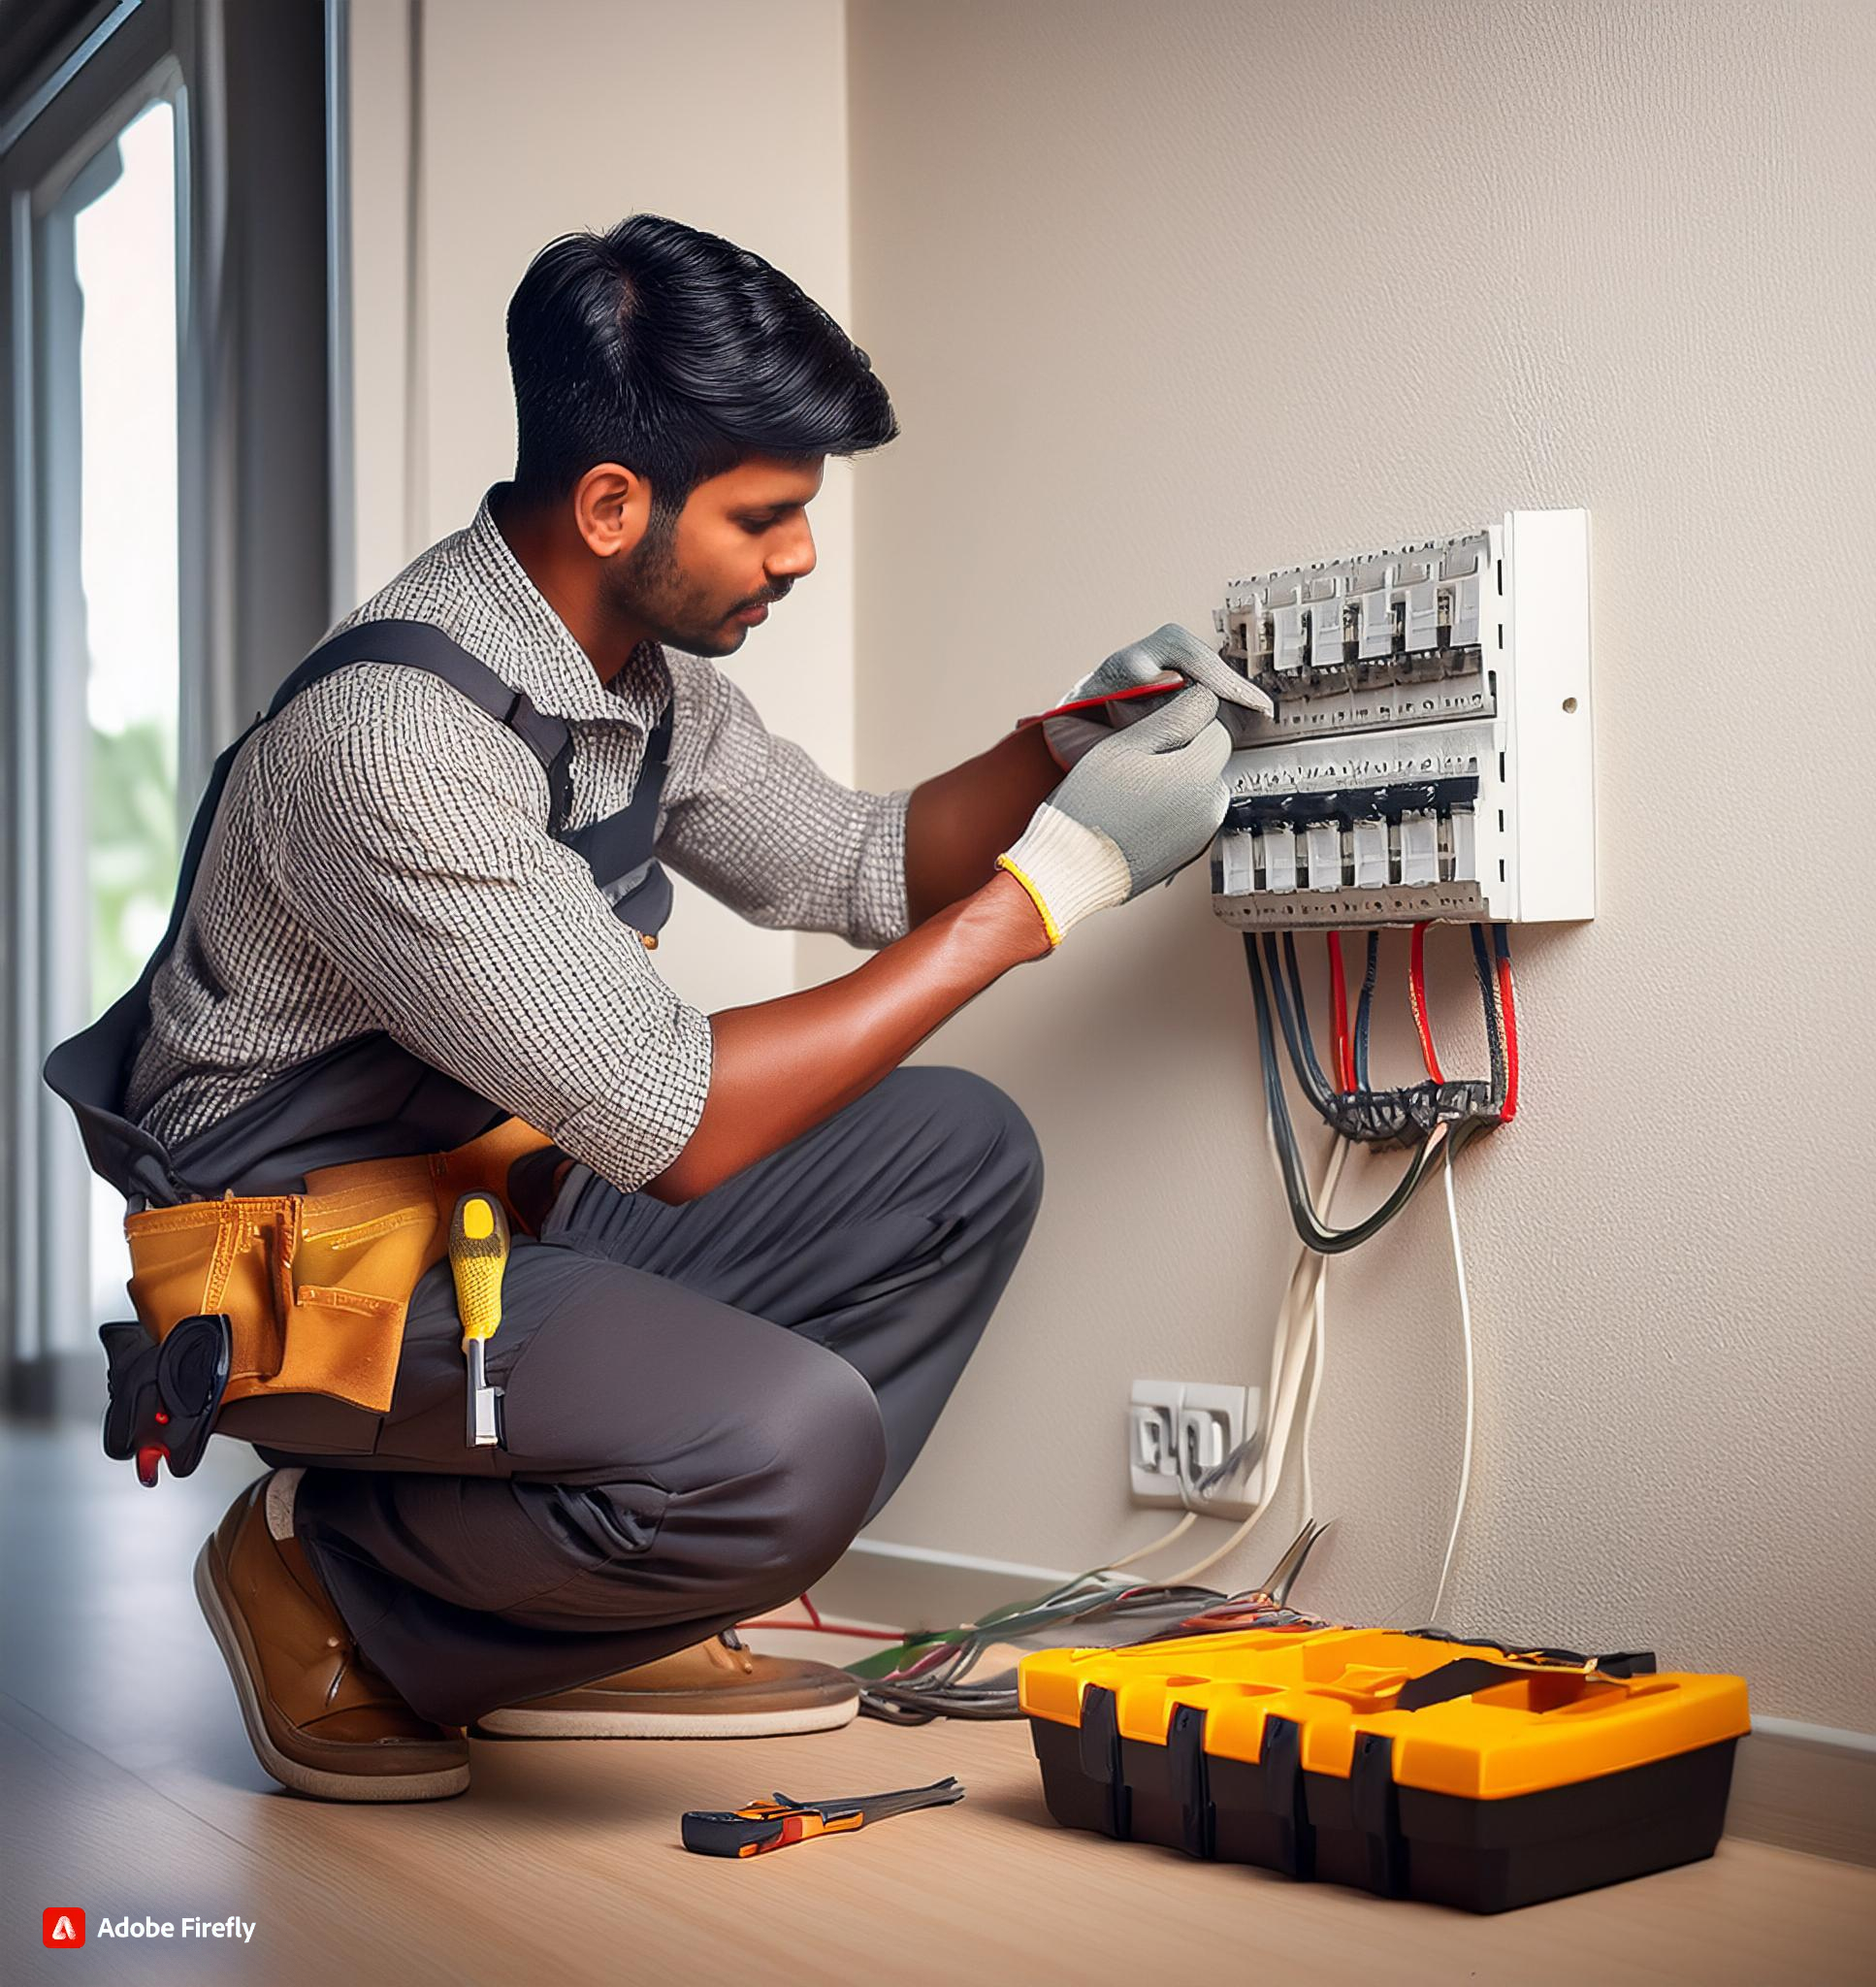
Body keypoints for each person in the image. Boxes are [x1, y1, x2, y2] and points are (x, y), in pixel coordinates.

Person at [51, 213, 1269, 1803]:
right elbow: (679, 1124)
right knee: (795, 1445)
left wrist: (1065, 743)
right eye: (764, 516)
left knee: (952, 1152)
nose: (801, 555)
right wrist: (1054, 892)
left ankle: (583, 1610)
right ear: (614, 502)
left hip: (490, 1214)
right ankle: (323, 1576)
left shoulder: (642, 682)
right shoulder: (391, 744)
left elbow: (857, 858)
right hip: (319, 1282)